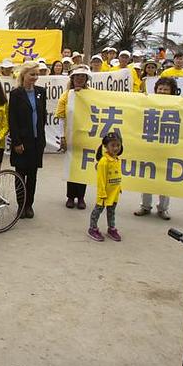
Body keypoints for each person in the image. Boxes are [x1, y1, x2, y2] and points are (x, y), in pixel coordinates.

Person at [135, 78, 177, 219]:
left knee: (165, 179)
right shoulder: (148, 102)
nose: (162, 91)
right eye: (160, 88)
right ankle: (145, 206)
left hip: (168, 146)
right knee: (147, 176)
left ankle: (163, 209)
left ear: (172, 91)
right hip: (150, 145)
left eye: (166, 89)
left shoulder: (178, 104)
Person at [7, 61, 46, 218]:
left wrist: (41, 138)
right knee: (20, 175)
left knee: (32, 176)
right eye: (32, 74)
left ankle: (29, 205)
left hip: (37, 141)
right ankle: (21, 205)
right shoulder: (16, 94)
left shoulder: (41, 92)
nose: (35, 77)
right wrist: (16, 141)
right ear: (24, 75)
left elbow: (42, 116)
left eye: (37, 74)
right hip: (22, 141)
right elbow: (12, 120)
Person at [56, 65, 90, 208]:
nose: (80, 79)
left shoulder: (92, 94)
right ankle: (70, 196)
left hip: (86, 136)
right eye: (77, 76)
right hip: (70, 136)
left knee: (83, 167)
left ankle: (81, 197)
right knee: (71, 166)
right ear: (72, 78)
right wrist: (62, 137)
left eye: (83, 76)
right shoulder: (66, 96)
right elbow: (61, 117)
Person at [88, 132, 123, 242]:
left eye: (118, 145)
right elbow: (101, 179)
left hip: (114, 193)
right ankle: (92, 228)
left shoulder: (117, 159)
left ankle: (111, 228)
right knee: (97, 211)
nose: (116, 148)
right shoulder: (103, 162)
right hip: (104, 194)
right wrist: (102, 193)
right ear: (106, 146)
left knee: (111, 211)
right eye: (113, 145)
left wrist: (119, 188)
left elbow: (118, 175)